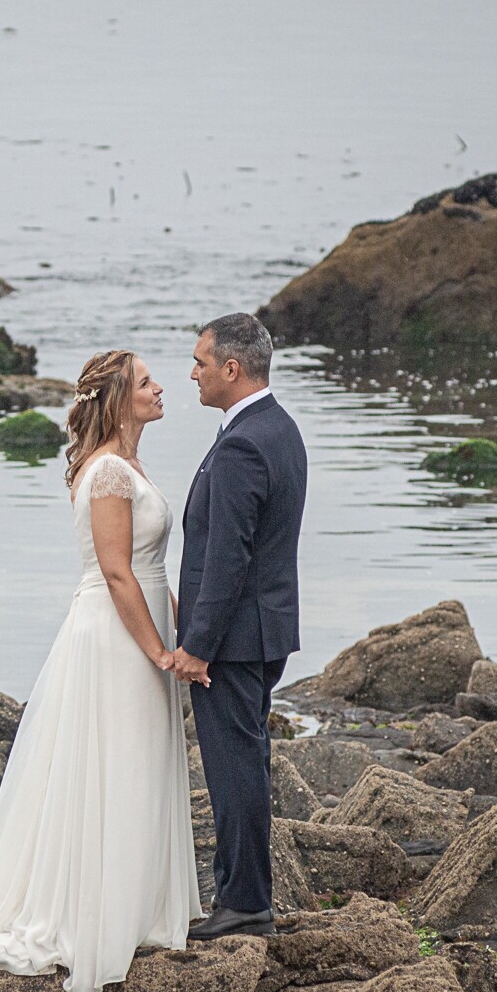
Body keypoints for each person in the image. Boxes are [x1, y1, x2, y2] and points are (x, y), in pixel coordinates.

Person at [0, 349, 203, 992]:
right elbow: (116, 571)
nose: (160, 387)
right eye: (146, 382)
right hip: (115, 636)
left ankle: (137, 905)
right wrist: (158, 650)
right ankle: (98, 915)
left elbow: (148, 567)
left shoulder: (127, 463)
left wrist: (182, 630)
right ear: (118, 399)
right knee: (115, 764)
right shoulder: (110, 471)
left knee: (138, 762)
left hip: (138, 623)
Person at [172, 313, 307, 940]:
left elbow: (229, 556)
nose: (192, 373)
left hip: (234, 641)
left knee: (235, 770)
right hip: (263, 629)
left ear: (232, 368)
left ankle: (247, 902)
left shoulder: (244, 444)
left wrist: (197, 646)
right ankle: (241, 893)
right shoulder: (278, 428)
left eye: (200, 362)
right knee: (245, 763)